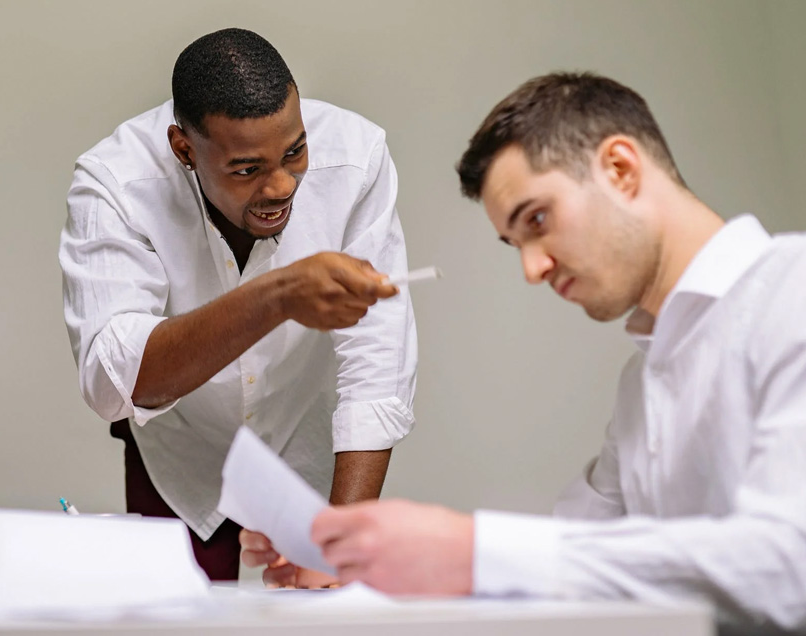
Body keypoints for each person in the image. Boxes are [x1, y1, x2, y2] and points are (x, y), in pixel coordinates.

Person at [303, 72, 806, 632]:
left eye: (537, 220)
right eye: (517, 244)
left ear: (620, 168)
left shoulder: (793, 293)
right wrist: (368, 553)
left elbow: (788, 565)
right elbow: (578, 551)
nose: (532, 268)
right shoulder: (643, 382)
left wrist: (470, 552)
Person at [60, 28, 418, 582]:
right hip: (181, 451)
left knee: (323, 607)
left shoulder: (356, 157)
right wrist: (277, 296)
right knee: (179, 619)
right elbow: (112, 385)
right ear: (184, 148)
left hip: (309, 429)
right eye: (247, 170)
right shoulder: (117, 183)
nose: (280, 186)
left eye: (295, 152)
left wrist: (340, 545)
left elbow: (378, 363)